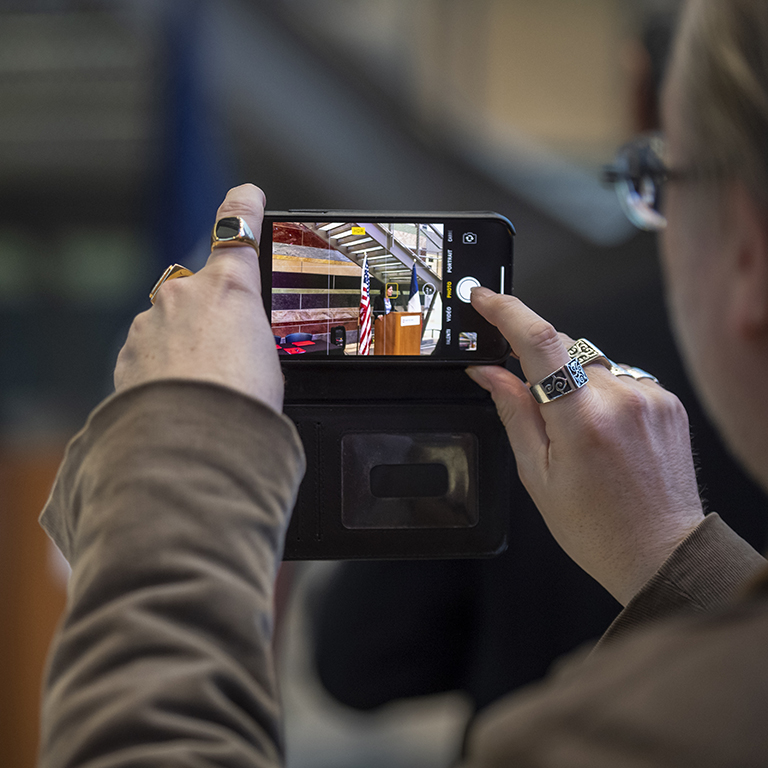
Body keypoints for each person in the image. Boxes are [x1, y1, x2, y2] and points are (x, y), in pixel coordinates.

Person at [37, 1, 768, 766]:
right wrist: (678, 566)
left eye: (659, 178)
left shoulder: (574, 744)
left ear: (747, 244)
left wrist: (183, 452)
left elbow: (359, 665)